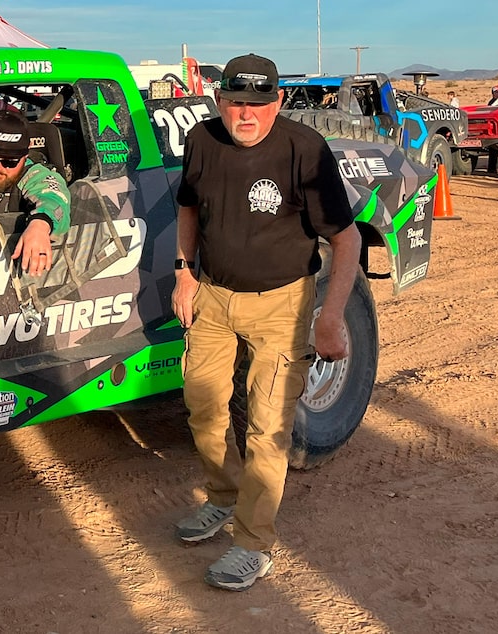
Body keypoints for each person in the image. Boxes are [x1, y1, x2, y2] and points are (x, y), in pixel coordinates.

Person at [171, 53, 362, 591]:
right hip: (213, 296)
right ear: (218, 100)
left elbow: (345, 239)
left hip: (284, 304)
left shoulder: (304, 150)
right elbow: (189, 207)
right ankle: (224, 499)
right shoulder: (202, 142)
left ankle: (253, 545)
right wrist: (184, 272)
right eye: (235, 102)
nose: (246, 114)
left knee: (267, 429)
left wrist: (331, 317)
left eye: (259, 103)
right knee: (203, 405)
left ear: (278, 101)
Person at [0, 110, 70, 276]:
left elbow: (54, 198)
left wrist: (40, 225)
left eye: (10, 162)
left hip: (9, 274)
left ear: (25, 156)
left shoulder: (35, 176)